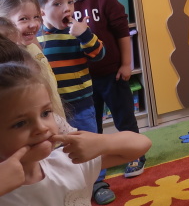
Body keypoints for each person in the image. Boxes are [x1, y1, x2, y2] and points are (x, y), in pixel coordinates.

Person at [0, 51, 151, 204]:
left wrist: (102, 142)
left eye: (45, 113)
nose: (41, 127)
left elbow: (142, 144)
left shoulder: (67, 162)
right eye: (20, 123)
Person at [55, 0, 148, 182]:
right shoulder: (62, 6)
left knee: (124, 117)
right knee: (91, 124)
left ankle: (135, 154)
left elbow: (122, 32)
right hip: (81, 80)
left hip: (111, 74)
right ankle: (96, 164)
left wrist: (126, 64)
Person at [32, 0, 113, 204]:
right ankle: (62, 183)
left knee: (89, 141)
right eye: (57, 4)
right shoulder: (36, 38)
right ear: (41, 11)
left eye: (70, 1)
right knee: (57, 146)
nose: (67, 8)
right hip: (53, 108)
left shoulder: (78, 31)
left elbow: (99, 54)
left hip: (82, 102)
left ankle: (98, 182)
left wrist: (84, 34)